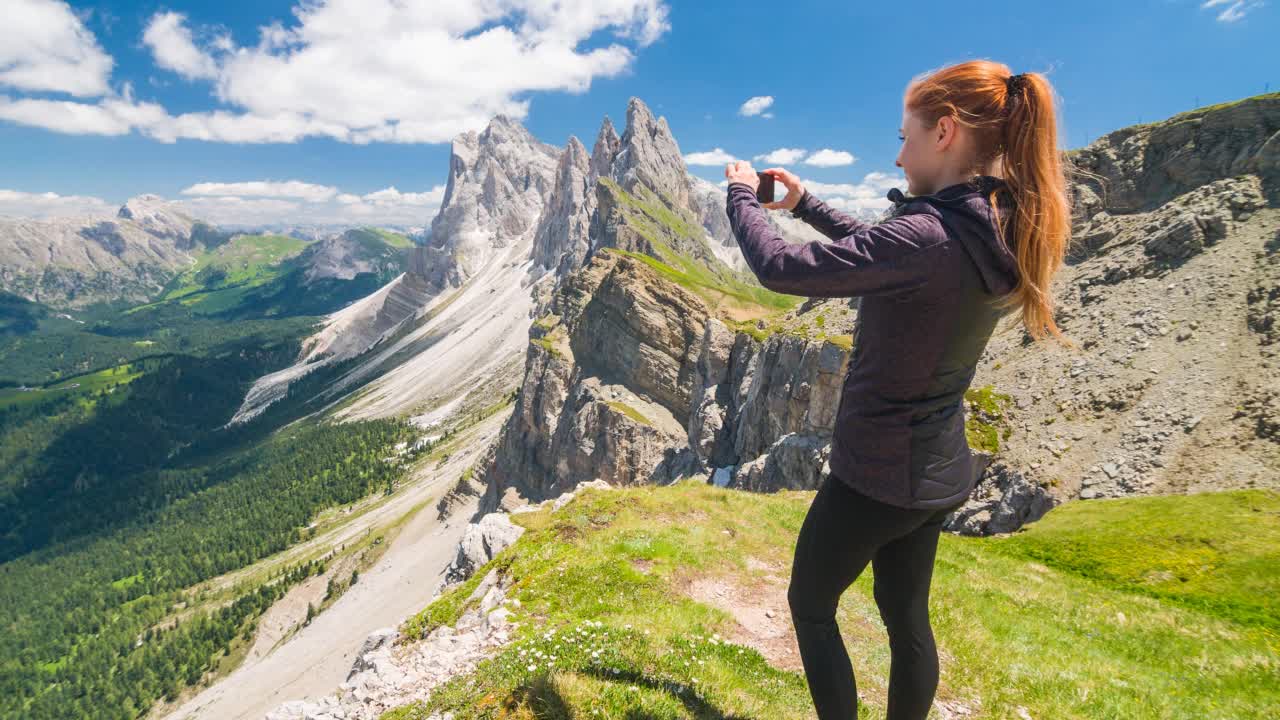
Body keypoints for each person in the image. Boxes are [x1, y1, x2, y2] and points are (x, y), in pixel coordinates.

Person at [723, 59, 1074, 719]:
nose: (896, 154)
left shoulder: (930, 234)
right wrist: (804, 204)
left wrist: (743, 195)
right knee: (905, 615)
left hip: (874, 476)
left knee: (810, 605)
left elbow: (778, 267)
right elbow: (888, 249)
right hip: (938, 472)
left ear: (945, 132)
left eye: (905, 136)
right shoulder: (989, 223)